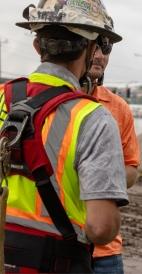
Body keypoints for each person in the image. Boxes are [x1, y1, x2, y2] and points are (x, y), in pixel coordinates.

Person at [1, 0, 128, 273]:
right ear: (93, 49)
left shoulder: (1, 98)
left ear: (37, 46)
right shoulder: (93, 118)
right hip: (56, 262)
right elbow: (101, 227)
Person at [85, 39, 141, 274]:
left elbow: (131, 171)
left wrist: (93, 170)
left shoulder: (118, 107)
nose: (100, 56)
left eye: (106, 49)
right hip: (54, 241)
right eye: (94, 47)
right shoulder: (47, 101)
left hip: (104, 252)